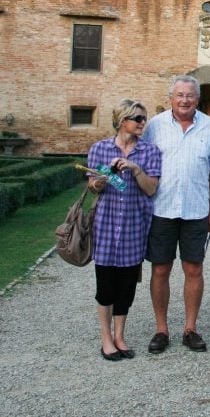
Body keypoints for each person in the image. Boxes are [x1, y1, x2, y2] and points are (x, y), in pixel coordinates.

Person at [142, 75, 210, 353]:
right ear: (171, 98)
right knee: (161, 268)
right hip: (161, 209)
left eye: (190, 96)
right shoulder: (155, 127)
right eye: (180, 95)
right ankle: (161, 329)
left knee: (194, 269)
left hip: (196, 209)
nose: (185, 100)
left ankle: (190, 328)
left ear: (197, 99)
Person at [87, 99, 161, 361]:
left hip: (134, 228)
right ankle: (106, 338)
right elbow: (93, 186)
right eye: (138, 119)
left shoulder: (149, 152)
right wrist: (106, 175)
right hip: (106, 227)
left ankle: (120, 336)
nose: (143, 123)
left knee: (127, 287)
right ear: (122, 122)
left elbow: (151, 189)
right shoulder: (100, 149)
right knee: (105, 286)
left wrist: (135, 169)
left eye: (144, 119)